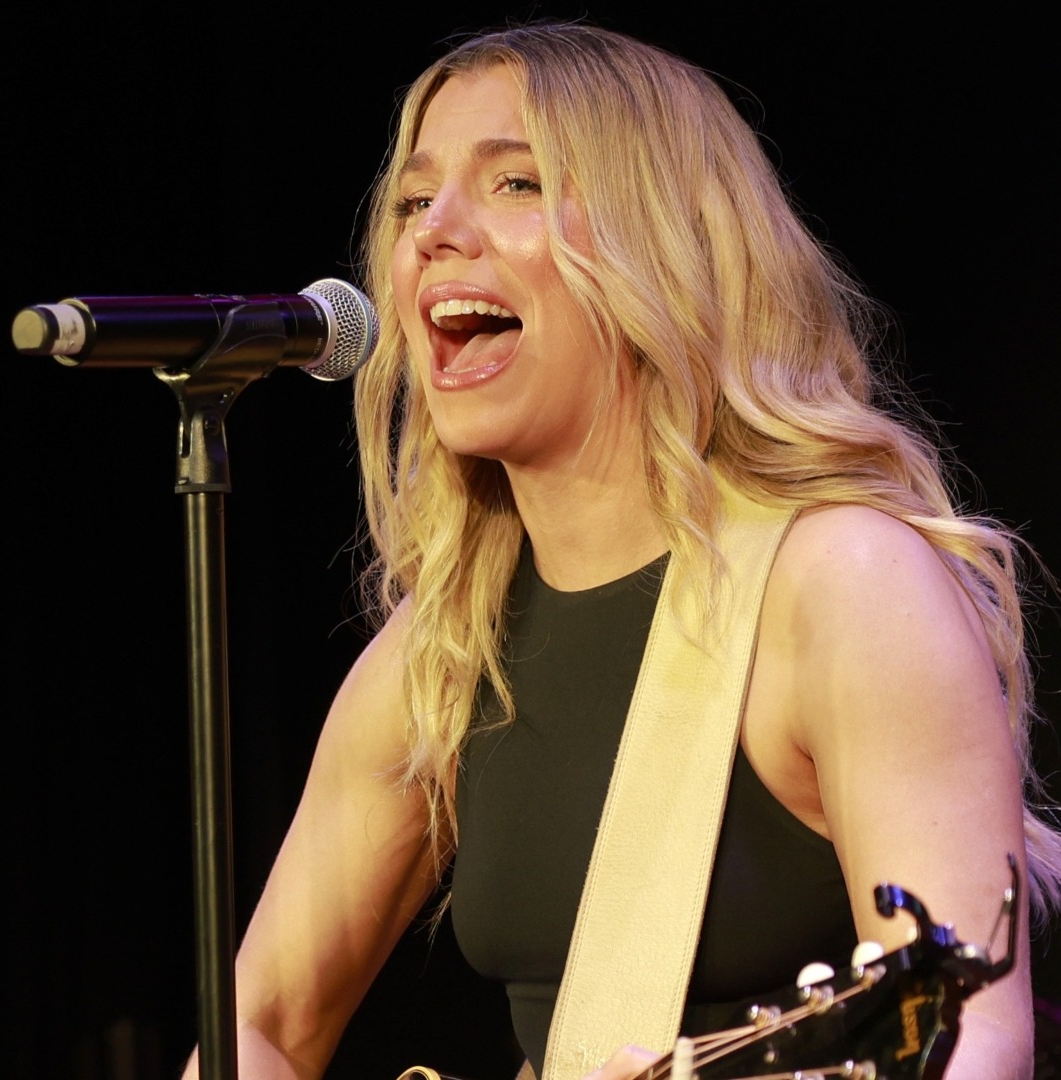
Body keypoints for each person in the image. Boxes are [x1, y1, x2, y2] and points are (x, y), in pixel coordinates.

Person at [182, 23, 1061, 1080]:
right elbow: (262, 1023)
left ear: (667, 244)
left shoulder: (843, 588)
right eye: (414, 202)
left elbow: (973, 1038)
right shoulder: (446, 648)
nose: (435, 234)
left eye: (516, 183)